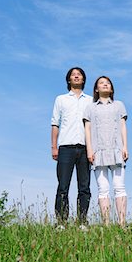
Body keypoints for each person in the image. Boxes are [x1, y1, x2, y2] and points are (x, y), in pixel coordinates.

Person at [83, 76, 129, 227]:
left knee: (119, 187)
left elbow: (123, 127)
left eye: (108, 83)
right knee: (103, 189)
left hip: (116, 149)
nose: (105, 85)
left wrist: (125, 147)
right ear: (96, 89)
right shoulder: (90, 107)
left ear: (111, 88)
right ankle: (107, 224)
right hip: (98, 151)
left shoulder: (119, 105)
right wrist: (89, 150)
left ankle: (122, 224)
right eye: (101, 83)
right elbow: (87, 130)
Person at [51, 67, 93, 229]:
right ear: (69, 79)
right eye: (73, 74)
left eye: (79, 74)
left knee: (84, 187)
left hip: (84, 148)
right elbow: (55, 123)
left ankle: (82, 221)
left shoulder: (90, 100)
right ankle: (61, 222)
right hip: (65, 147)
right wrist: (54, 147)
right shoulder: (61, 99)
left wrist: (92, 149)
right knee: (63, 186)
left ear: (83, 79)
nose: (76, 76)